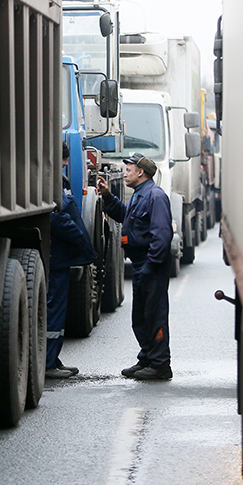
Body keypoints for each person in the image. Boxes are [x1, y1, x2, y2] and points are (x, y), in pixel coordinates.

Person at [97, 152, 174, 380]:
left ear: (141, 172)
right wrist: (108, 197)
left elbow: (162, 235)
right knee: (140, 317)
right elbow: (125, 216)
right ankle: (147, 359)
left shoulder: (155, 196)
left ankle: (160, 365)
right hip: (142, 264)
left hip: (151, 266)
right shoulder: (140, 195)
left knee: (155, 315)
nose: (125, 173)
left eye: (128, 169)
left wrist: (150, 266)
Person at [46, 143, 98, 379]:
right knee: (54, 310)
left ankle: (52, 359)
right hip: (57, 257)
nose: (67, 163)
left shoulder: (57, 180)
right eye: (65, 159)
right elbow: (56, 218)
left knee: (57, 309)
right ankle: (48, 363)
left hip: (60, 257)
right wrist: (77, 235)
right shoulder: (51, 182)